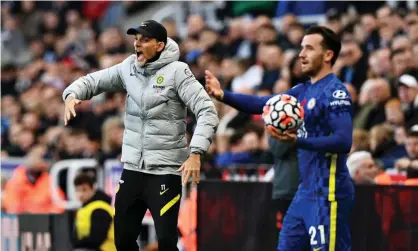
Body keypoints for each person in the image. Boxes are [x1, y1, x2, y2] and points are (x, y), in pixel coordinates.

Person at [63, 20, 219, 251]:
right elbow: (94, 80)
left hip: (164, 171)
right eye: (136, 39)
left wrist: (195, 153)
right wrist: (72, 93)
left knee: (166, 242)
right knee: (123, 241)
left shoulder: (178, 72)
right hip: (133, 169)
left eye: (144, 40)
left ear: (159, 46)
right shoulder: (128, 68)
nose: (137, 44)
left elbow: (208, 111)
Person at [205, 25, 354, 251]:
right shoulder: (303, 90)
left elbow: (344, 141)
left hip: (329, 193)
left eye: (309, 49)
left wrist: (298, 141)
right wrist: (223, 95)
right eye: (301, 48)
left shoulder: (335, 93)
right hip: (304, 192)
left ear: (328, 55)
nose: (301, 54)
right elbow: (263, 104)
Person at [73, 172, 115, 251]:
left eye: (84, 190)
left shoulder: (100, 209)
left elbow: (96, 239)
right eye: (77, 190)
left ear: (93, 189)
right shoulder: (86, 208)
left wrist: (76, 243)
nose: (80, 194)